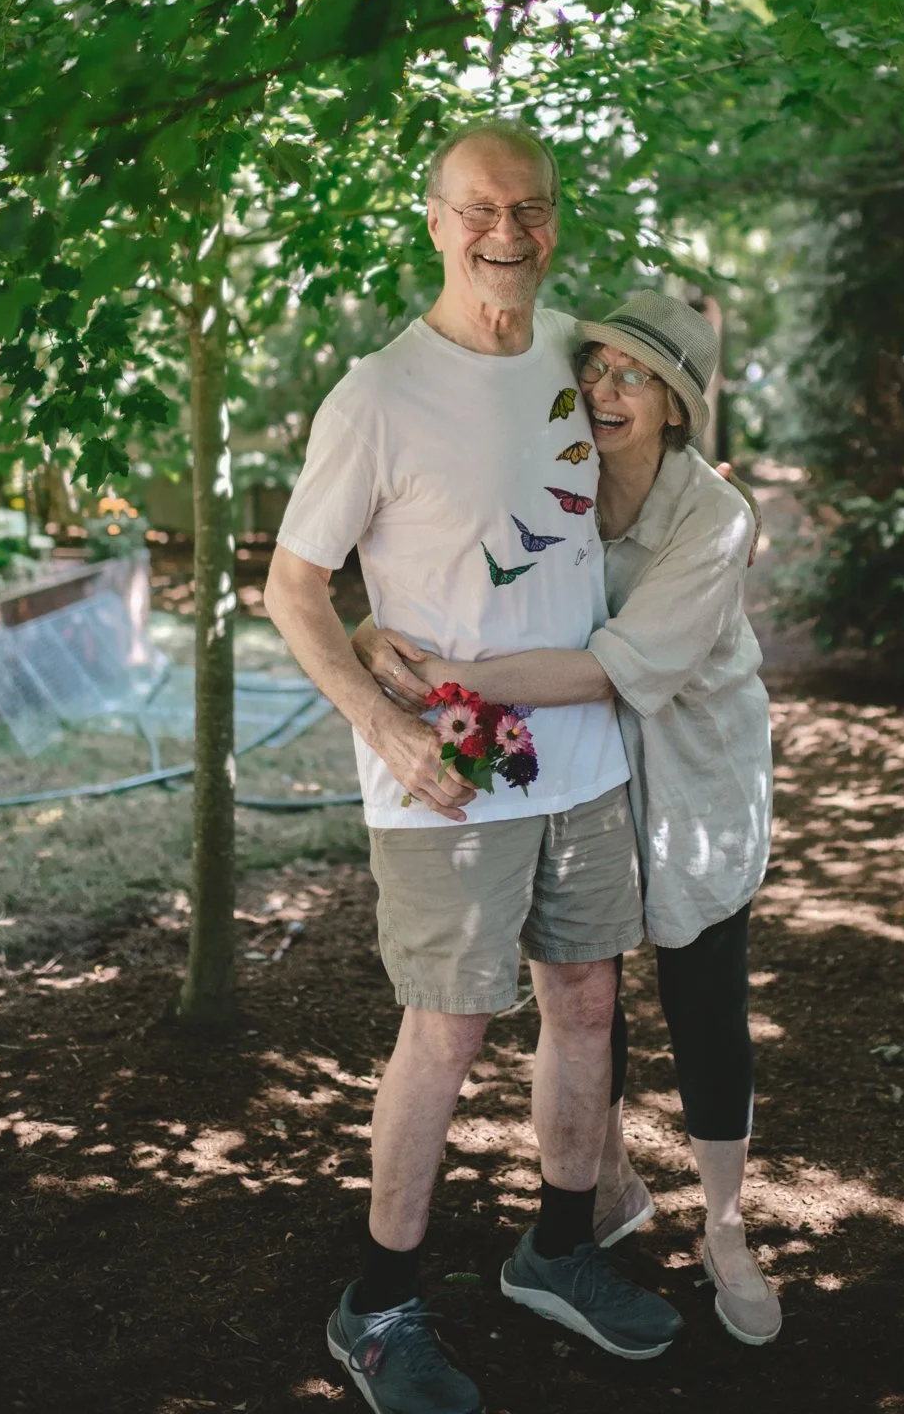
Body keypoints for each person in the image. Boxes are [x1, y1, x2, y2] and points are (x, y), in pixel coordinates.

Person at [263, 125, 681, 1414]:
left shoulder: (575, 364)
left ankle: (557, 1251)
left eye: (533, 208)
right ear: (435, 220)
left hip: (580, 758)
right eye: (482, 209)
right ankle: (377, 1303)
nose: (510, 232)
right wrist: (383, 725)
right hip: (447, 774)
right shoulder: (376, 392)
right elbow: (291, 585)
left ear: (558, 219)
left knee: (588, 1009)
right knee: (444, 1032)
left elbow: (641, 481)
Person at [355, 292, 780, 1347]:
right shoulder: (565, 474)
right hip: (590, 757)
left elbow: (603, 666)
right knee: (592, 982)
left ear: (677, 406)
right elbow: (469, 567)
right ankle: (607, 1181)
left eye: (633, 377)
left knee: (699, 981)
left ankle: (726, 1223)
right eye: (595, 367)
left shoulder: (715, 518)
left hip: (692, 762)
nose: (602, 389)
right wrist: (377, 624)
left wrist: (453, 676)